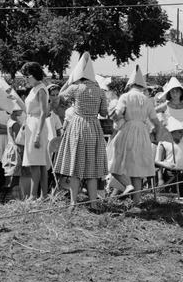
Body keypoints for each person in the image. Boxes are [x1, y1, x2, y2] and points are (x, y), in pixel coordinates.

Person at [52, 52, 109, 207]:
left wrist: (68, 82)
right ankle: (93, 204)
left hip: (77, 127)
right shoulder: (100, 91)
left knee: (75, 168)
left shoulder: (75, 88)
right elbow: (104, 113)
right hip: (94, 127)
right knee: (92, 170)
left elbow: (57, 101)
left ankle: (73, 202)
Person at [108, 65, 158, 197]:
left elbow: (117, 114)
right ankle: (137, 201)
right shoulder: (147, 100)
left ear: (130, 84)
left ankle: (128, 185)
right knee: (137, 169)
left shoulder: (125, 96)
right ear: (142, 85)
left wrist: (113, 115)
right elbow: (155, 120)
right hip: (142, 132)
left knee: (115, 163)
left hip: (127, 130)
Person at [17, 62, 53, 200]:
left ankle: (33, 195)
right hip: (32, 123)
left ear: (32, 75)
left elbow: (44, 112)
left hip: (38, 125)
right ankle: (43, 195)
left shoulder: (41, 89)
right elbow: (28, 110)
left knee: (35, 162)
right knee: (40, 162)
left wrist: (38, 133)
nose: (25, 79)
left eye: (26, 76)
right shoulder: (34, 89)